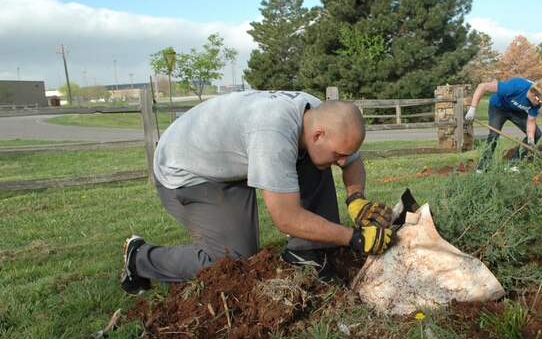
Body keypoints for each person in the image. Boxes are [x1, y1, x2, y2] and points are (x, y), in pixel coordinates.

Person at [120, 90, 394, 294]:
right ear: (318, 135)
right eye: (340, 153)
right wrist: (354, 238)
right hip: (187, 172)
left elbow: (353, 161)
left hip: (230, 157)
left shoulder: (319, 115)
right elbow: (286, 217)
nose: (344, 161)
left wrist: (356, 198)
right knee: (231, 259)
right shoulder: (272, 134)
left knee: (318, 159)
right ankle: (140, 258)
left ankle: (306, 252)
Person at [464, 78, 542, 172]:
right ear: (534, 95)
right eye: (541, 102)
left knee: (536, 134)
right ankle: (482, 166)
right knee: (494, 135)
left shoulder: (538, 101)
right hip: (498, 107)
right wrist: (473, 109)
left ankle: (513, 164)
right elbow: (482, 86)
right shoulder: (515, 86)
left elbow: (531, 122)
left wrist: (530, 140)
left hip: (516, 111)